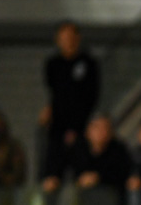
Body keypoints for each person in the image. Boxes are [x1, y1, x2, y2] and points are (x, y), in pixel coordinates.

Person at [40, 21, 100, 183]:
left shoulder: (88, 64)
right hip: (57, 129)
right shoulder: (53, 64)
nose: (68, 41)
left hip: (81, 130)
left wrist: (76, 128)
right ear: (58, 39)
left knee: (84, 177)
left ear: (78, 38)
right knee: (50, 177)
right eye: (63, 37)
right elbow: (55, 94)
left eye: (71, 36)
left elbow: (90, 98)